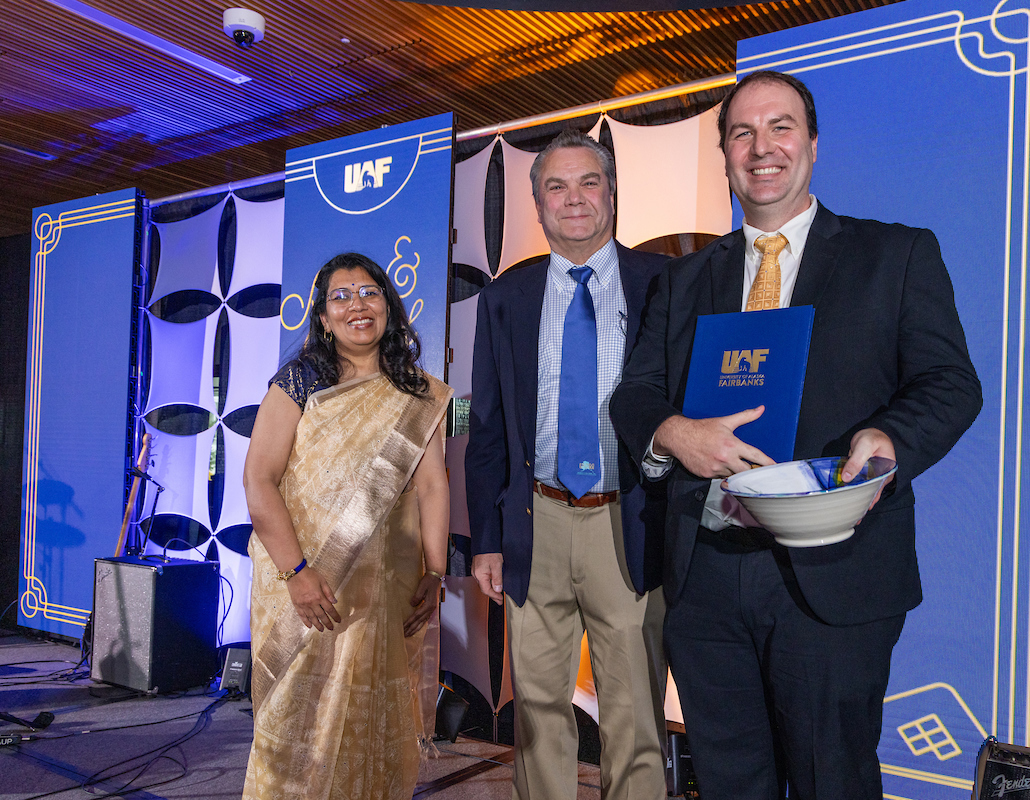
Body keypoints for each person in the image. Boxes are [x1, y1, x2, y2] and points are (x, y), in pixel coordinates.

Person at [609, 71, 984, 800]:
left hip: (833, 567)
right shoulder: (683, 281)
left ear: (812, 143)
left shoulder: (896, 255)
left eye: (780, 127)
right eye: (741, 133)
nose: (762, 148)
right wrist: (672, 432)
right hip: (708, 570)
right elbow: (635, 394)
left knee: (830, 781)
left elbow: (951, 383)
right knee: (729, 781)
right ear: (723, 155)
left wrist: (889, 437)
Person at [465, 129, 669, 800]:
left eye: (589, 182)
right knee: (539, 715)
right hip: (538, 522)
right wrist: (487, 541)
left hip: (630, 521)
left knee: (634, 712)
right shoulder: (505, 298)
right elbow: (489, 430)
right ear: (538, 201)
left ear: (612, 192)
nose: (573, 198)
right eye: (556, 185)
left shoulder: (663, 285)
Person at [241, 252, 452, 800]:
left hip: (385, 590)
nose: (358, 304)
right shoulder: (300, 381)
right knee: (294, 732)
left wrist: (435, 570)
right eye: (342, 296)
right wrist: (298, 574)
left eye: (369, 292)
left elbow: (432, 486)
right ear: (323, 317)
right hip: (308, 586)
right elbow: (259, 481)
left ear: (389, 305)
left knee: (371, 723)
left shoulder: (418, 393)